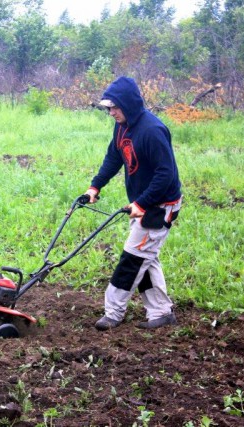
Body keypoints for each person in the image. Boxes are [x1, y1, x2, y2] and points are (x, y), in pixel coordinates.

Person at [85, 76, 182, 330]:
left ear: (128, 104)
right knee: (145, 258)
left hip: (160, 206)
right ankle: (162, 312)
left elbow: (166, 174)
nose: (111, 113)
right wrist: (95, 186)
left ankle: (113, 313)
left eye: (115, 107)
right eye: (108, 108)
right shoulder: (122, 126)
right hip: (145, 203)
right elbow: (113, 157)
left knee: (132, 259)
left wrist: (142, 203)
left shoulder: (152, 131)